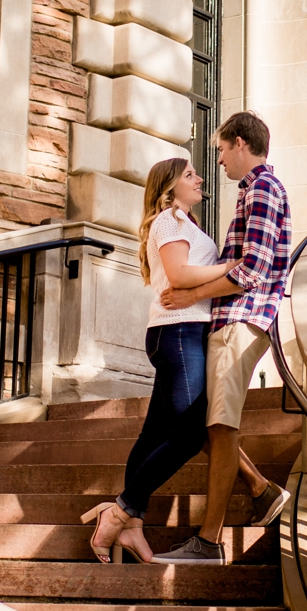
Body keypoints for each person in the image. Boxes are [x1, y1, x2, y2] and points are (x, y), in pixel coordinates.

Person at [150, 112, 294, 563]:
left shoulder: (265, 190)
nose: (217, 161)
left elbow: (250, 271)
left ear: (238, 143)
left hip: (242, 318)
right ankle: (261, 490)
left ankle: (209, 542)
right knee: (205, 423)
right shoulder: (251, 192)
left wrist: (190, 292)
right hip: (230, 319)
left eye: (219, 150)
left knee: (219, 425)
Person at [83, 157, 220, 564]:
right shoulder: (170, 220)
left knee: (152, 435)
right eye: (189, 175)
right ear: (169, 186)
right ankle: (119, 512)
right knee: (188, 436)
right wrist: (236, 267)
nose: (199, 178)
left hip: (175, 332)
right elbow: (179, 276)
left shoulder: (182, 222)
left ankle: (133, 528)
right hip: (180, 333)